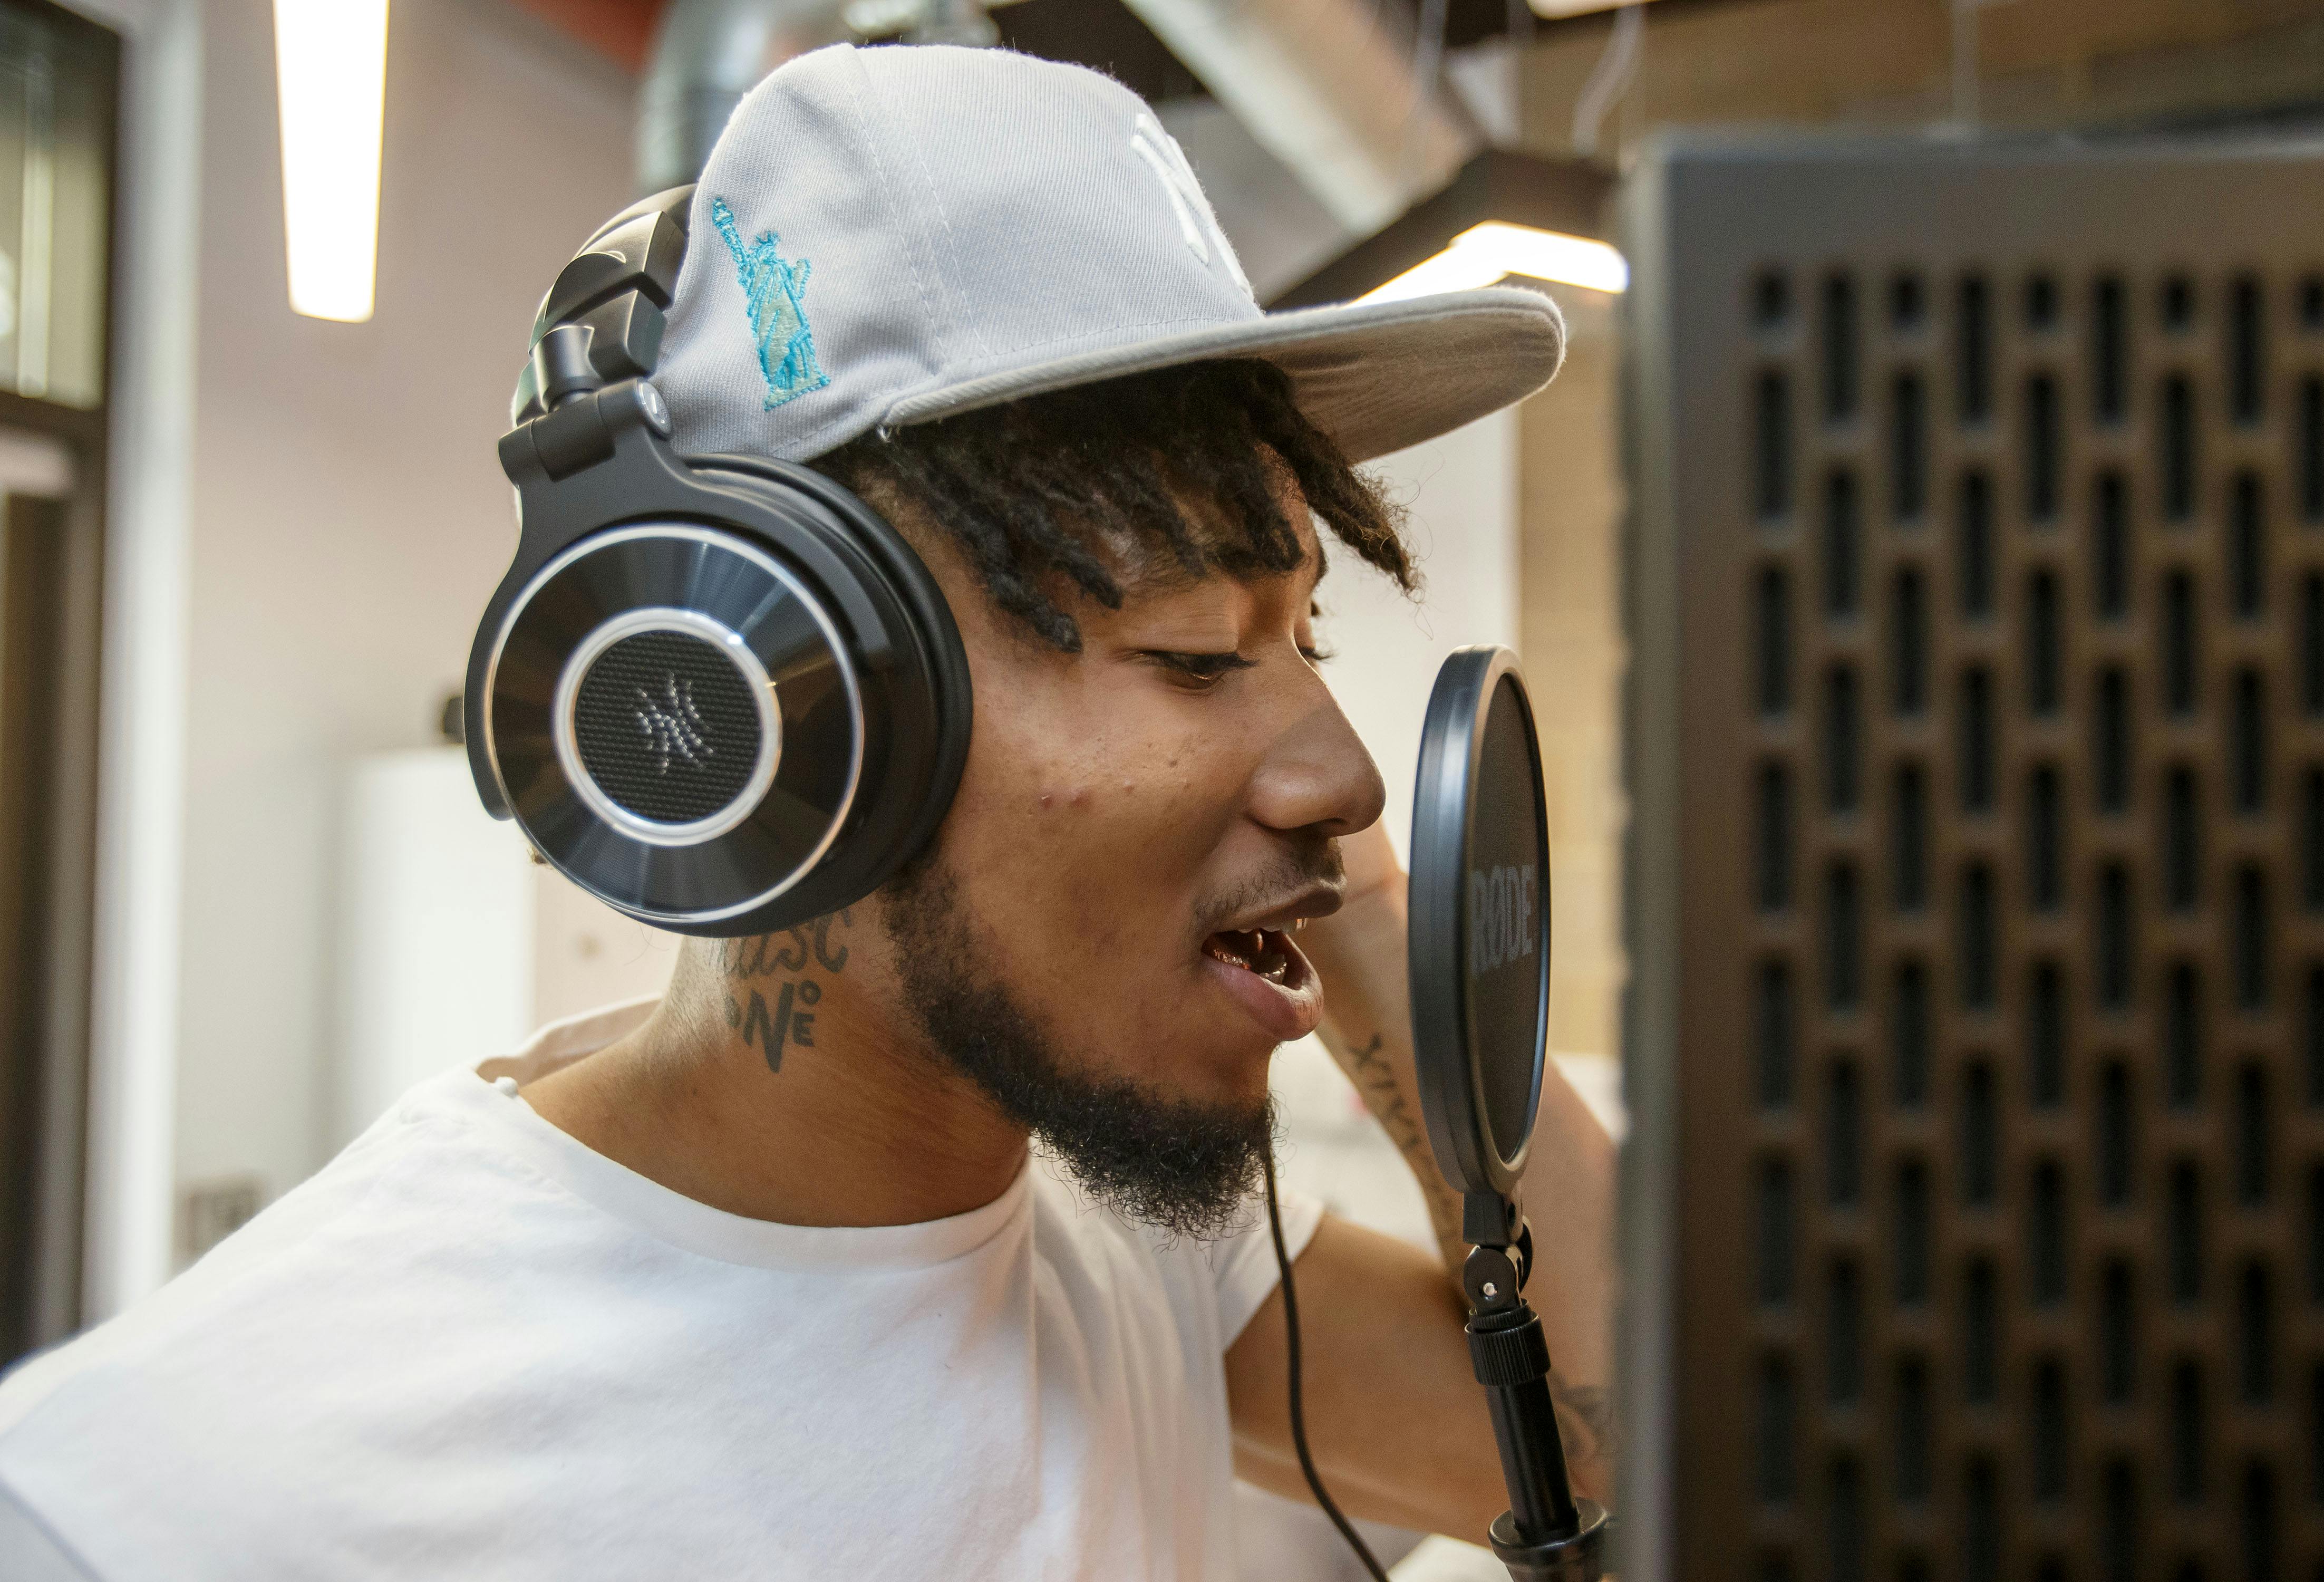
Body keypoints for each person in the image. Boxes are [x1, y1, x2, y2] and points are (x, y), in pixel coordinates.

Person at [0, 43, 1616, 1580]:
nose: (1341, 769)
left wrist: (1371, 907)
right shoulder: (152, 1509)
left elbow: (1605, 1450)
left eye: (1300, 636)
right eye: (1193, 648)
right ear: (774, 705)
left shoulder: (1147, 1248)